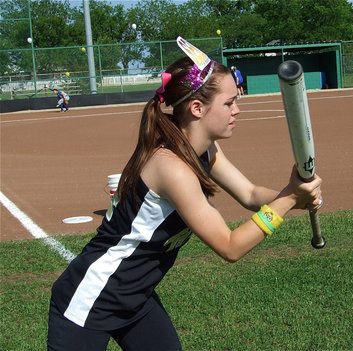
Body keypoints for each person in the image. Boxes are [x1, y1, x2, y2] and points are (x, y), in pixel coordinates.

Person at [47, 36, 322, 351]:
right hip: (91, 300)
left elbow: (249, 193)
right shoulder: (172, 168)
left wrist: (296, 195)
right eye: (229, 102)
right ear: (196, 108)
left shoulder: (203, 150)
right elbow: (230, 247)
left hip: (136, 299)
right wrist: (288, 199)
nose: (237, 110)